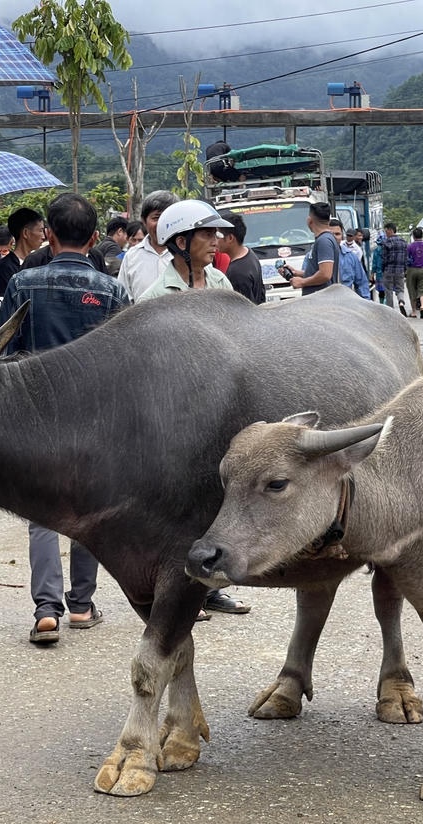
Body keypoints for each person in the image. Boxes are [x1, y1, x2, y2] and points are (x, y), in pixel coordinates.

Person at [0, 194, 129, 643]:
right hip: (94, 420)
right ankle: (83, 606)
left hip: (36, 419)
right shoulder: (112, 291)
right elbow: (125, 362)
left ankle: (46, 611)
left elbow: (2, 352)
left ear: (48, 235)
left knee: (42, 516)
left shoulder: (23, 284)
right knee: (88, 514)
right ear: (93, 239)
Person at [135, 198, 253, 618]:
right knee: (182, 508)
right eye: (207, 233)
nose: (217, 240)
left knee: (219, 503)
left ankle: (211, 588)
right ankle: (180, 593)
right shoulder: (153, 297)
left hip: (224, 418)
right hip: (178, 422)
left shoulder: (222, 285)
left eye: (218, 232)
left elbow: (247, 344)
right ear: (180, 242)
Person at [137, 198, 235, 301]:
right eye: (208, 235)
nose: (215, 242)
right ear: (181, 243)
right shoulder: (153, 299)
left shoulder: (220, 282)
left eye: (215, 235)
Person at [118, 190, 178, 299]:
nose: (162, 223)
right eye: (156, 218)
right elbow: (123, 299)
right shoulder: (131, 256)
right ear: (144, 221)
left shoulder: (189, 255)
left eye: (167, 217)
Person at [287, 201, 340, 296]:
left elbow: (325, 274)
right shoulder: (324, 239)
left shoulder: (324, 241)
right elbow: (318, 271)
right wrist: (296, 273)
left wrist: (302, 282)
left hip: (321, 302)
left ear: (309, 221)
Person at [0, 207, 46, 297]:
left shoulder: (41, 262)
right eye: (40, 230)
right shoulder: (5, 268)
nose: (43, 236)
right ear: (26, 233)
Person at [218, 211, 265, 305]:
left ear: (230, 238)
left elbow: (242, 311)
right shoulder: (249, 253)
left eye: (217, 236)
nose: (214, 241)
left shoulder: (237, 272)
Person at [330, 219, 371, 299]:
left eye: (337, 234)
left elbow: (361, 284)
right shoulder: (312, 256)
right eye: (330, 234)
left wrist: (365, 305)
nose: (334, 237)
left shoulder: (352, 256)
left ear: (342, 235)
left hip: (346, 304)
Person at [379, 222, 408, 311]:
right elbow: (405, 258)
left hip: (388, 270)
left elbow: (384, 258)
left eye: (386, 231)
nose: (385, 233)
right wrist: (404, 269)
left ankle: (390, 310)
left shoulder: (386, 242)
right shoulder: (404, 242)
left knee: (388, 290)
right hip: (400, 270)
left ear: (391, 230)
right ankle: (401, 302)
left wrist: (383, 269)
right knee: (400, 289)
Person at [405, 227, 423, 317]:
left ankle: (413, 312)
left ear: (413, 236)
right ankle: (422, 306)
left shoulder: (409, 246)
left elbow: (407, 259)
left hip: (411, 270)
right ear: (422, 236)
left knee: (412, 290)